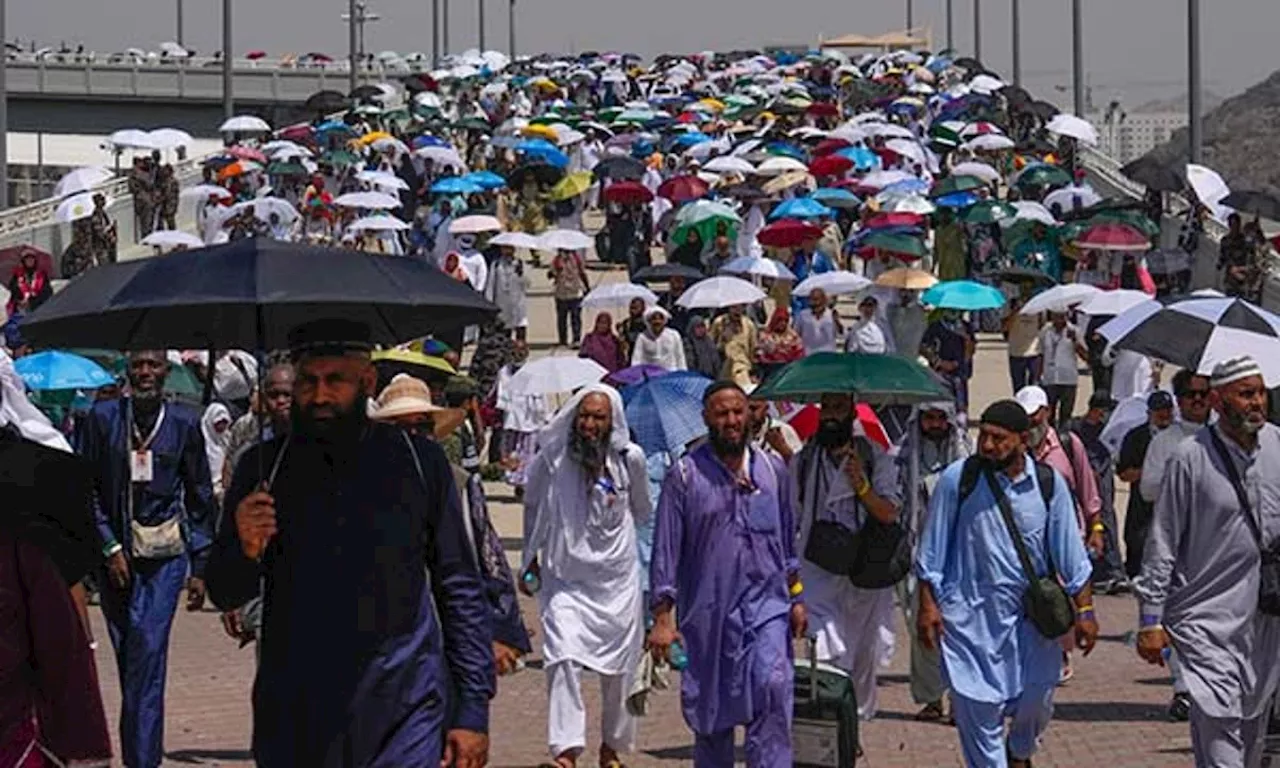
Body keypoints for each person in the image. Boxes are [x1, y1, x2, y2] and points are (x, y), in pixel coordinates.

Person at [205, 319, 495, 767]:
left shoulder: (419, 463)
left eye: (334, 381)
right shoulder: (264, 469)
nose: (319, 396)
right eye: (308, 381)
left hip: (404, 704)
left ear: (367, 381)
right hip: (298, 715)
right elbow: (225, 591)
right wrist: (244, 547)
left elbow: (458, 584)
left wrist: (472, 709)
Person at [916, 400, 1097, 768]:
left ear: (1023, 440)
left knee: (1038, 700)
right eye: (984, 436)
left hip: (1032, 627)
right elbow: (930, 553)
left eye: (998, 438)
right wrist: (928, 606)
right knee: (978, 715)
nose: (987, 446)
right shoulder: (958, 480)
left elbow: (1072, 558)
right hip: (969, 627)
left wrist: (1086, 611)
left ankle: (1019, 750)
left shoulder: (1048, 486)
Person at [647, 381, 807, 766]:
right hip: (709, 616)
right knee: (713, 716)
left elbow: (787, 544)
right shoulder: (684, 477)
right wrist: (663, 620)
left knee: (772, 688)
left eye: (739, 411)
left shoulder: (773, 470)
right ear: (707, 419)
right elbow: (665, 552)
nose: (732, 421)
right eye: (722, 413)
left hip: (767, 609)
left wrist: (797, 598)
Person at [1134, 356, 1280, 766]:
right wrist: (1151, 619)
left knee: (1251, 731)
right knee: (1219, 725)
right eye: (1246, 393)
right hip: (1204, 620)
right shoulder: (1189, 457)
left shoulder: (1278, 447)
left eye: (1261, 392)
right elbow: (1162, 541)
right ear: (1218, 400)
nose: (1257, 403)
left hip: (1264, 618)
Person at [75, 350, 217, 768]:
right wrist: (108, 546)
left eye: (154, 365)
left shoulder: (185, 422)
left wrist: (201, 566)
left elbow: (200, 496)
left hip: (164, 560)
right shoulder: (103, 419)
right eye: (138, 365)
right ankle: (140, 753)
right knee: (131, 663)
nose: (145, 373)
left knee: (149, 654)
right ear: (127, 371)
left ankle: (143, 761)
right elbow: (86, 489)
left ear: (166, 371)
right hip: (115, 560)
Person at [520, 385, 651, 768]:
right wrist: (530, 556)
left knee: (620, 672)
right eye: (585, 416)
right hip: (566, 580)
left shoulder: (631, 460)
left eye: (599, 418)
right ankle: (566, 751)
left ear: (613, 423)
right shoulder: (552, 460)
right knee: (560, 656)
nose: (591, 425)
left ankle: (611, 748)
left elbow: (642, 511)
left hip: (618, 583)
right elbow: (532, 506)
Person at [369, 375, 532, 677]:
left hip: (445, 634)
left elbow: (488, 557)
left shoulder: (458, 484)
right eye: (400, 428)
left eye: (421, 426)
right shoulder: (362, 490)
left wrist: (501, 630)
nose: (412, 436)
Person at [792, 392, 903, 721]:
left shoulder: (875, 456)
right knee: (823, 651)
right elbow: (791, 515)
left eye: (838, 408)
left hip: (863, 572)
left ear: (852, 413)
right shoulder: (805, 460)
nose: (829, 416)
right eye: (825, 408)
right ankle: (831, 725)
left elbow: (889, 513)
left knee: (862, 658)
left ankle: (854, 724)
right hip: (818, 569)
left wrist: (862, 486)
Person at [896, 400, 972, 722]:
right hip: (915, 552)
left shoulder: (966, 457)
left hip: (958, 554)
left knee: (959, 629)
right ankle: (931, 699)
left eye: (942, 418)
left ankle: (961, 699)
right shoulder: (900, 456)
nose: (936, 424)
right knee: (921, 627)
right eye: (929, 418)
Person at [1063, 392, 1130, 595]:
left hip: (1103, 481)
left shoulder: (1108, 430)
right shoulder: (1074, 429)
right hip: (1082, 483)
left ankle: (1114, 571)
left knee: (1107, 522)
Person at [1116, 390, 1175, 580]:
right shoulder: (1135, 437)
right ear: (1149, 413)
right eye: (1160, 411)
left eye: (1168, 410)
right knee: (1137, 545)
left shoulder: (1181, 436)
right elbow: (1124, 474)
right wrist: (1150, 472)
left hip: (1173, 504)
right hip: (1142, 504)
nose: (1165, 415)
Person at [495, 340, 550, 496]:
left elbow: (540, 395)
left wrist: (543, 416)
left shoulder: (534, 372)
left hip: (530, 419)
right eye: (514, 350)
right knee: (512, 452)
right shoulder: (504, 371)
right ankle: (517, 481)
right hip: (512, 419)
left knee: (528, 453)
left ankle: (526, 484)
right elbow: (502, 394)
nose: (518, 354)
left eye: (521, 350)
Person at [1036, 312, 1086, 426]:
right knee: (1048, 415)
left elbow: (1085, 356)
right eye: (1056, 316)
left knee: (1066, 416)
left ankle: (1064, 439)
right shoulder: (1045, 331)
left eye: (1062, 316)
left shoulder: (1075, 330)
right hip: (1050, 378)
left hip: (1068, 379)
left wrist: (1075, 341)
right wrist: (1037, 377)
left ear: (1067, 316)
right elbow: (1041, 354)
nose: (1059, 319)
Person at [485, 243, 531, 342]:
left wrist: (521, 274)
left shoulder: (520, 263)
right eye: (505, 248)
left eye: (510, 248)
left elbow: (527, 285)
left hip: (518, 305)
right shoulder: (496, 264)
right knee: (504, 336)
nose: (507, 251)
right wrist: (489, 304)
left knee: (520, 332)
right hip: (501, 305)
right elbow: (491, 284)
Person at [550, 248, 590, 347]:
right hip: (561, 293)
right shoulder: (556, 260)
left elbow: (582, 272)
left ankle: (576, 339)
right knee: (561, 318)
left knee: (576, 318)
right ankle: (563, 340)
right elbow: (550, 274)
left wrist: (587, 287)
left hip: (575, 293)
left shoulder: (577, 258)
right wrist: (556, 271)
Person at [1219, 213, 1263, 303]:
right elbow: (1222, 258)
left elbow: (1253, 261)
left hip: (1243, 281)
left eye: (1236, 225)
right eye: (1232, 225)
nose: (1234, 228)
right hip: (1230, 280)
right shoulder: (1225, 240)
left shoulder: (1245, 242)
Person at [710, 303, 758, 384]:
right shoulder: (719, 323)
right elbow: (711, 347)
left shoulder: (749, 325)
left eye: (740, 307)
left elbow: (753, 349)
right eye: (734, 307)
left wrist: (753, 371)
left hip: (743, 368)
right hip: (724, 368)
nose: (737, 310)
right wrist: (723, 340)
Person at [630, 305, 687, 370]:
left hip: (671, 374)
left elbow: (680, 357)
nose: (657, 321)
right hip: (650, 375)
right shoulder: (642, 337)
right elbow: (636, 359)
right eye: (654, 318)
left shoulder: (674, 335)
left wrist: (682, 374)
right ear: (649, 321)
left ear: (664, 321)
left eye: (660, 318)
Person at [1003, 296, 1041, 393]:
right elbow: (1005, 327)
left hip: (1034, 352)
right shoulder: (1011, 304)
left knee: (1035, 386)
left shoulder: (1039, 304)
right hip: (1016, 352)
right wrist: (1015, 312)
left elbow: (1041, 325)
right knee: (1019, 388)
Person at [755, 306, 805, 376]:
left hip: (790, 370)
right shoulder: (765, 336)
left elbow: (799, 353)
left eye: (785, 321)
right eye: (780, 320)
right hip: (770, 370)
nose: (783, 323)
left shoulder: (793, 336)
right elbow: (759, 355)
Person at [794, 288, 842, 355]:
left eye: (815, 299)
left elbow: (841, 335)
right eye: (810, 299)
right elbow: (796, 334)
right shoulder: (803, 315)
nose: (812, 303)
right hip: (808, 354)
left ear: (823, 300)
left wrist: (837, 322)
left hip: (828, 354)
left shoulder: (831, 315)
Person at [6, 248, 52, 317]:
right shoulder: (17, 276)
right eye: (27, 259)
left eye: (32, 259)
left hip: (39, 309)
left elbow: (47, 293)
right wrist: (20, 300)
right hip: (21, 310)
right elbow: (13, 291)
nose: (30, 261)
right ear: (23, 261)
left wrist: (31, 302)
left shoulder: (42, 275)